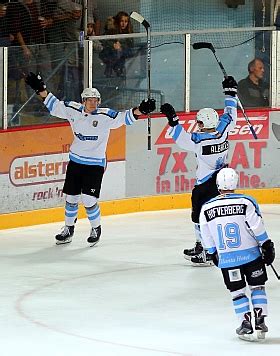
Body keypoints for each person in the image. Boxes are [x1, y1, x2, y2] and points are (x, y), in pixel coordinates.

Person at [25, 72, 156, 246]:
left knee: (88, 199)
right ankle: (68, 229)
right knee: (71, 197)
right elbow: (53, 104)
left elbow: (124, 117)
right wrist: (40, 89)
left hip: (94, 164)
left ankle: (96, 228)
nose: (93, 103)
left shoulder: (105, 116)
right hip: (76, 161)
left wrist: (141, 110)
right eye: (90, 100)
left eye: (96, 100)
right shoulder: (72, 110)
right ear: (83, 101)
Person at [160, 76, 238, 266]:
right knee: (214, 214)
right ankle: (207, 246)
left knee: (199, 216)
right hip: (221, 179)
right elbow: (231, 114)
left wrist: (173, 120)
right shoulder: (225, 129)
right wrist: (230, 93)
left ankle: (205, 250)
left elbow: (180, 137)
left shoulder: (198, 140)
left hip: (205, 184)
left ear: (201, 124)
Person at [199, 167, 275, 340]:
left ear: (218, 184)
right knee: (257, 286)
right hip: (252, 256)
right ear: (235, 182)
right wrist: (266, 244)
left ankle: (245, 322)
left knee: (237, 291)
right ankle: (260, 319)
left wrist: (212, 252)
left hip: (228, 259)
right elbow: (257, 226)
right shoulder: (246, 201)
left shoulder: (207, 208)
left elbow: (206, 233)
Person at [99, 11, 134, 78]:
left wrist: (121, 46)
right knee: (117, 52)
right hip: (109, 53)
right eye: (122, 21)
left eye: (126, 21)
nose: (124, 24)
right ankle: (115, 70)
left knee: (120, 52)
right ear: (118, 21)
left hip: (123, 52)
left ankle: (116, 70)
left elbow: (131, 44)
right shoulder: (112, 30)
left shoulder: (129, 31)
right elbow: (103, 40)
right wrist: (113, 45)